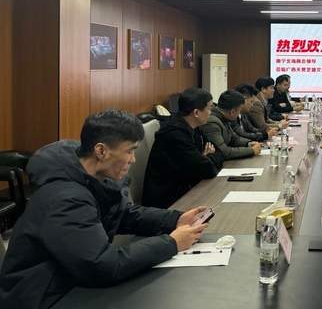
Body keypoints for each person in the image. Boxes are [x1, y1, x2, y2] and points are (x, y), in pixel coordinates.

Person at [0, 110, 209, 309]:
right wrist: (171, 243)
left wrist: (175, 220)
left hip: (69, 282)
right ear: (101, 151)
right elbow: (102, 265)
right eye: (129, 151)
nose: (133, 159)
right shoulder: (65, 198)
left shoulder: (91, 177)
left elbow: (123, 214)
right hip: (41, 297)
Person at [143, 87, 224, 209]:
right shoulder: (174, 134)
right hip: (168, 202)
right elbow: (208, 170)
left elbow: (219, 154)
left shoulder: (194, 127)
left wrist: (205, 158)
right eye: (209, 108)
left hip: (186, 189)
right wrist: (204, 159)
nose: (211, 112)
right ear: (196, 113)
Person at [201, 90, 263, 160]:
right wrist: (251, 150)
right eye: (239, 110)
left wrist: (248, 143)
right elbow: (224, 152)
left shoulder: (224, 117)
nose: (239, 114)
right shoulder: (212, 123)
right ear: (232, 112)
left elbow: (234, 139)